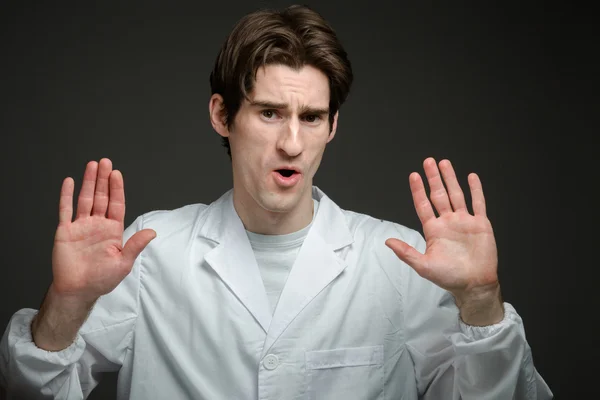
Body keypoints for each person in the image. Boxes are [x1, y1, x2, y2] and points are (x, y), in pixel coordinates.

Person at [0, 4, 552, 400]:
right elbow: (32, 392)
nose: (291, 142)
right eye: (269, 113)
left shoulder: (402, 260)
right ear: (222, 115)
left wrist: (482, 302)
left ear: (332, 125)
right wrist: (67, 303)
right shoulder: (151, 253)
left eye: (310, 117)